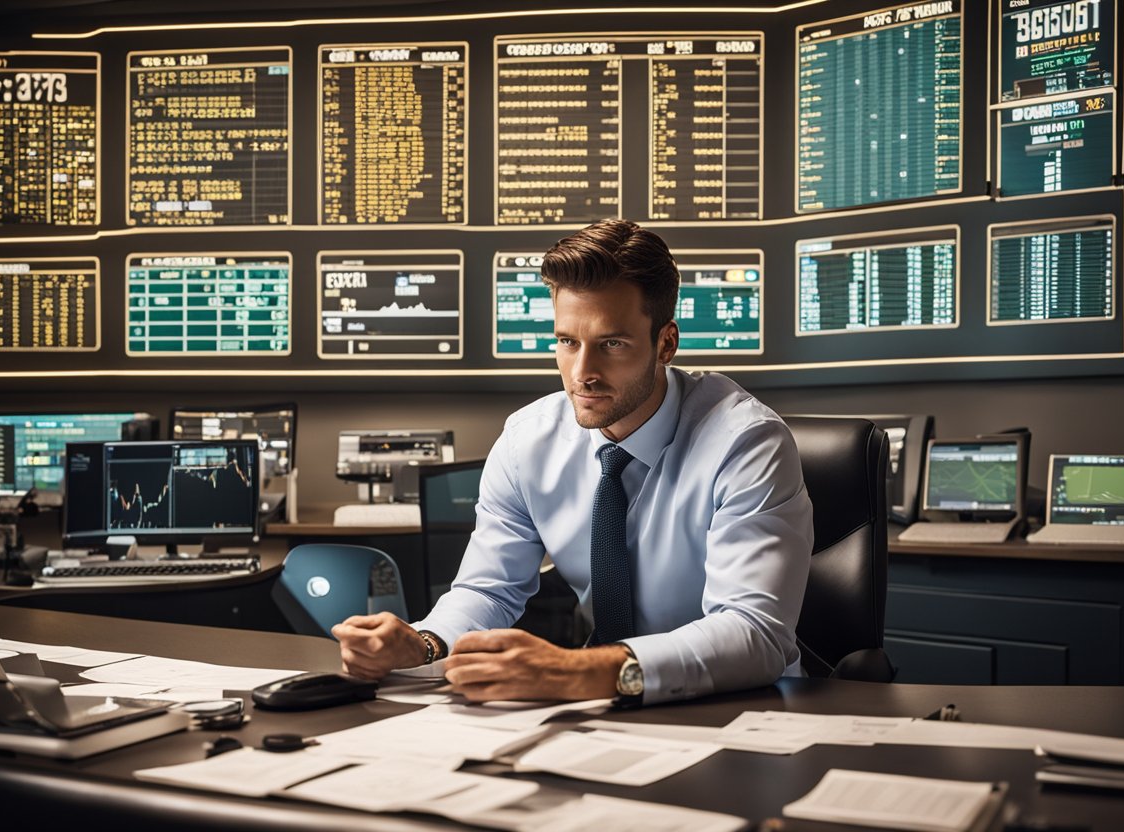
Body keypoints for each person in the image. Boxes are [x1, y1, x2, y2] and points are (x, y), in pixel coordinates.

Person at [334, 219, 814, 706]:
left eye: (612, 344)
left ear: (666, 343)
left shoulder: (747, 443)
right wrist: (423, 643)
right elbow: (489, 590)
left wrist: (575, 671)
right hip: (600, 700)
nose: (582, 374)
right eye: (567, 342)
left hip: (742, 705)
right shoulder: (528, 442)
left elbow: (755, 633)